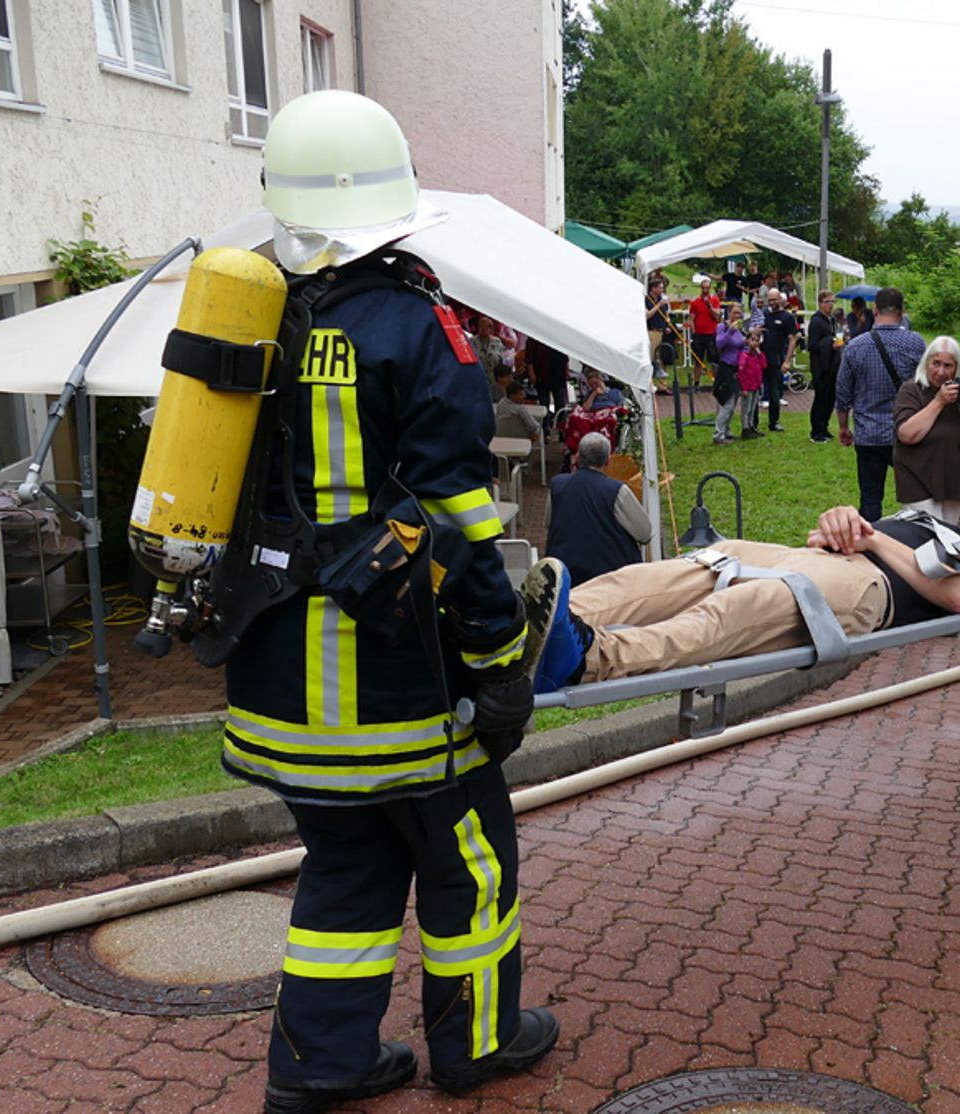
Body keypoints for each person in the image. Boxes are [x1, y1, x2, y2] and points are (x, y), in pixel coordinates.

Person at [231, 91, 555, 1113]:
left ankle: (317, 1066)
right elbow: (459, 524)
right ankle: (477, 1046)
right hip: (398, 685)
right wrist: (500, 664)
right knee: (470, 865)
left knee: (346, 869)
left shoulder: (252, 321)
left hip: (274, 683)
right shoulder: (416, 327)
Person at [522, 504, 960, 691]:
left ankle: (586, 658)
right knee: (683, 570)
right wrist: (839, 525)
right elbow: (868, 537)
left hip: (863, 587)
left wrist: (870, 538)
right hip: (822, 558)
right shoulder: (946, 523)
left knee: (730, 613)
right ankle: (533, 624)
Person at [835, 287, 927, 522]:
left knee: (870, 499)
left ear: (875, 310)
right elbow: (926, 385)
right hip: (906, 433)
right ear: (902, 311)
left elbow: (843, 393)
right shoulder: (916, 343)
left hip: (868, 434)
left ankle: (871, 537)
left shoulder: (855, 346)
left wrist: (844, 427)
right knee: (917, 497)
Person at [894, 336, 960, 523]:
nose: (941, 372)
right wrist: (938, 402)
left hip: (954, 484)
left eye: (948, 366)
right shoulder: (912, 390)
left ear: (957, 369)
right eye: (936, 363)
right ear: (926, 363)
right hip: (918, 483)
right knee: (930, 533)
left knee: (949, 535)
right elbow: (906, 434)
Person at [547, 432, 652, 585]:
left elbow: (549, 524)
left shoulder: (557, 485)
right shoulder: (617, 491)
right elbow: (644, 533)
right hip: (611, 578)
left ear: (577, 457)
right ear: (608, 460)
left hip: (565, 576)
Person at [758, 291, 799, 432]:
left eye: (774, 300)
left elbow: (793, 339)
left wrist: (787, 361)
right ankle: (752, 423)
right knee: (756, 391)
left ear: (780, 299)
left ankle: (774, 422)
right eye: (769, 300)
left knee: (775, 393)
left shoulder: (787, 317)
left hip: (776, 360)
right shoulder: (765, 315)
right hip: (761, 358)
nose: (772, 303)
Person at [807, 290, 843, 443]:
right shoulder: (816, 322)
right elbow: (812, 345)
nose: (830, 305)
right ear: (820, 303)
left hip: (833, 364)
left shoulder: (832, 320)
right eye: (827, 302)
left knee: (830, 398)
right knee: (821, 399)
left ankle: (824, 427)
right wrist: (830, 344)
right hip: (820, 366)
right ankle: (816, 431)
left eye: (832, 302)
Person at [711, 304, 747, 445]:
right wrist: (730, 331)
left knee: (733, 403)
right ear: (729, 313)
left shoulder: (740, 328)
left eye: (739, 313)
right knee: (727, 403)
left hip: (737, 369)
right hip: (726, 368)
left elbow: (741, 345)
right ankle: (718, 434)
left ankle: (726, 430)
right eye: (734, 313)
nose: (737, 316)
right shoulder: (723, 327)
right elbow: (719, 344)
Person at [686, 277, 723, 382]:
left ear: (710, 288)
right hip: (699, 334)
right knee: (698, 361)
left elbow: (717, 316)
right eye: (703, 288)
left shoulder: (715, 300)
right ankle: (696, 382)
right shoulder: (695, 302)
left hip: (711, 334)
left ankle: (715, 382)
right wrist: (693, 333)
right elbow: (691, 319)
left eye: (707, 288)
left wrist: (710, 306)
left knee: (714, 361)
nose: (705, 290)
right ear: (701, 288)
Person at [524, 334, 569, 416]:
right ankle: (545, 422)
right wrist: (531, 373)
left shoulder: (560, 334)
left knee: (561, 403)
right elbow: (529, 357)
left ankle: (560, 421)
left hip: (559, 372)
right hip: (542, 373)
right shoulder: (534, 335)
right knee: (544, 403)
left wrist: (566, 369)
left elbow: (565, 355)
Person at [736, 326, 767, 439]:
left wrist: (760, 353)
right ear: (747, 341)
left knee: (753, 408)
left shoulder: (757, 355)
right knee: (746, 408)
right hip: (748, 386)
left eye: (757, 340)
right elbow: (741, 372)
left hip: (756, 385)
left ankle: (751, 426)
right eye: (752, 340)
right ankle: (745, 428)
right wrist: (743, 387)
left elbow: (764, 365)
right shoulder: (744, 355)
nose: (755, 343)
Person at [644, 277, 672, 392]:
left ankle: (662, 386)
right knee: (651, 358)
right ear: (653, 288)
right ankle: (648, 384)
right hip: (652, 332)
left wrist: (668, 324)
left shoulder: (663, 300)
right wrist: (658, 305)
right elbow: (647, 315)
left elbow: (666, 315)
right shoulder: (646, 300)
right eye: (660, 288)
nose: (662, 290)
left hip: (663, 332)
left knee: (663, 358)